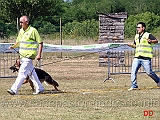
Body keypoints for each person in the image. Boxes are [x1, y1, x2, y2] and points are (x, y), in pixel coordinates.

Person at [7, 15, 44, 95]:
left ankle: (14, 89)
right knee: (32, 73)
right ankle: (40, 88)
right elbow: (18, 42)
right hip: (22, 57)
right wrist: (13, 46)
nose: (20, 24)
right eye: (20, 22)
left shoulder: (33, 30)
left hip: (29, 56)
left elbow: (40, 43)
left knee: (22, 73)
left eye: (21, 22)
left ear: (27, 22)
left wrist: (39, 54)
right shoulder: (21, 31)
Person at [128, 22, 160, 90]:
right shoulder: (136, 36)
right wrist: (131, 45)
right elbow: (136, 45)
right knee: (133, 71)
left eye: (139, 27)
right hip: (137, 57)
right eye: (137, 27)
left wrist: (151, 41)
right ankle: (134, 86)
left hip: (146, 58)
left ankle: (158, 81)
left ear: (143, 28)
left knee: (149, 72)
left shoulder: (148, 35)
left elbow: (156, 41)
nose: (137, 29)